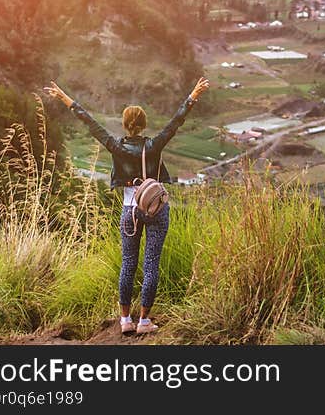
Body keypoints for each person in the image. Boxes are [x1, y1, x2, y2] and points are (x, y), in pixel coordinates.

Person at [44, 77, 210, 335]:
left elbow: (90, 122)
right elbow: (175, 123)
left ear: (125, 125)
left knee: (128, 263)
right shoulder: (154, 146)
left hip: (129, 210)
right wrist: (192, 96)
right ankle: (144, 321)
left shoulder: (115, 147)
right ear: (143, 125)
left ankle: (125, 320)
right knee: (152, 262)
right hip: (155, 209)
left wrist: (64, 98)